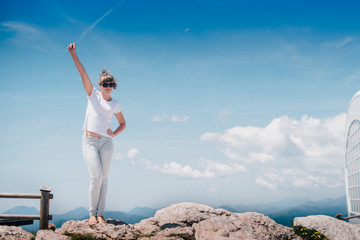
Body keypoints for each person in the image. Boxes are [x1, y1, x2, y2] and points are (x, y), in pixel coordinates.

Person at [67, 42, 126, 225]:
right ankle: (92, 214)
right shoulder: (93, 95)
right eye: (105, 84)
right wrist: (73, 54)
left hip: (107, 142)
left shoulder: (115, 104)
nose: (108, 86)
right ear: (100, 85)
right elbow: (82, 73)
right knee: (96, 177)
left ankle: (100, 214)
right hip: (89, 141)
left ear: (114, 86)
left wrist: (114, 133)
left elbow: (123, 123)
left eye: (111, 84)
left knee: (105, 178)